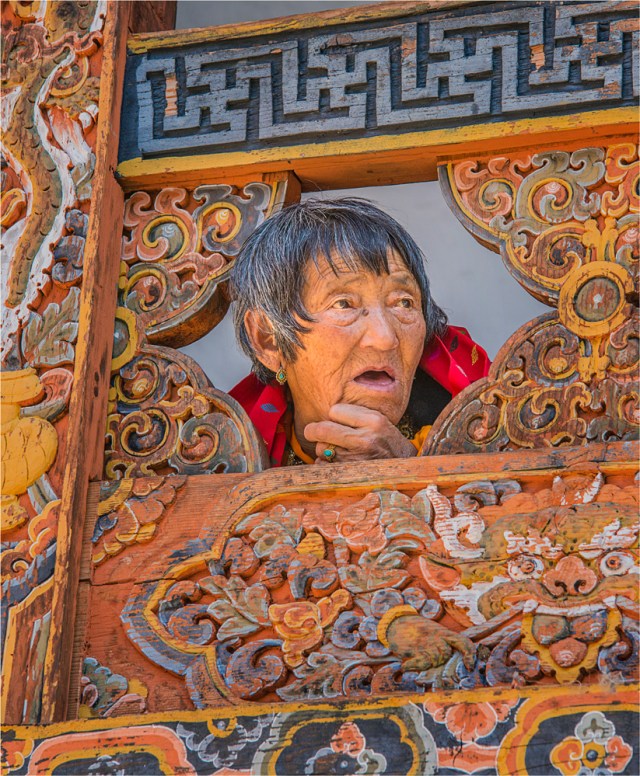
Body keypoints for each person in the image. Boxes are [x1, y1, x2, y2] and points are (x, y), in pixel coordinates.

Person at [230, 198, 489, 467]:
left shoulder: (485, 435)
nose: (385, 339)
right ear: (269, 340)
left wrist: (405, 465)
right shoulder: (222, 461)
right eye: (343, 304)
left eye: (403, 302)